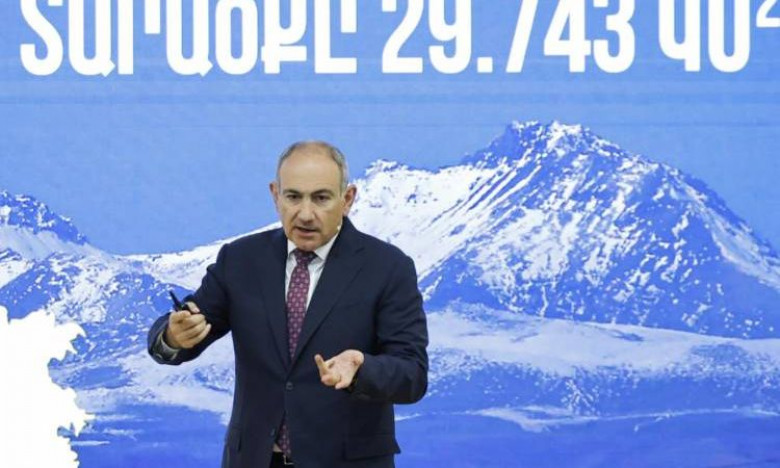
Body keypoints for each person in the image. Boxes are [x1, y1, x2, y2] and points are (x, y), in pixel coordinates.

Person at [147, 141, 429, 468]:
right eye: (293, 197)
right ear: (275, 195)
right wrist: (173, 336)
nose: (305, 214)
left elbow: (412, 374)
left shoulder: (387, 267)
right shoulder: (239, 260)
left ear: (347, 199)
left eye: (321, 198)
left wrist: (361, 369)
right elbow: (187, 325)